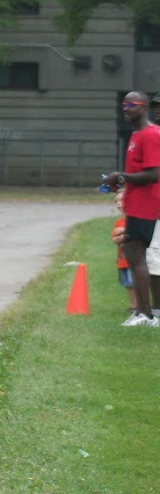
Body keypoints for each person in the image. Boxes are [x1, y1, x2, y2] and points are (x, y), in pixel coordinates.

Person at [103, 91, 160, 326]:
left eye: (132, 104)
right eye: (124, 104)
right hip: (137, 204)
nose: (126, 108)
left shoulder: (151, 135)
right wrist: (122, 181)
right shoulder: (136, 135)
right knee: (136, 255)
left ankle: (145, 314)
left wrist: (122, 175)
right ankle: (145, 312)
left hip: (148, 205)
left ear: (144, 107)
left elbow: (154, 173)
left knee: (138, 256)